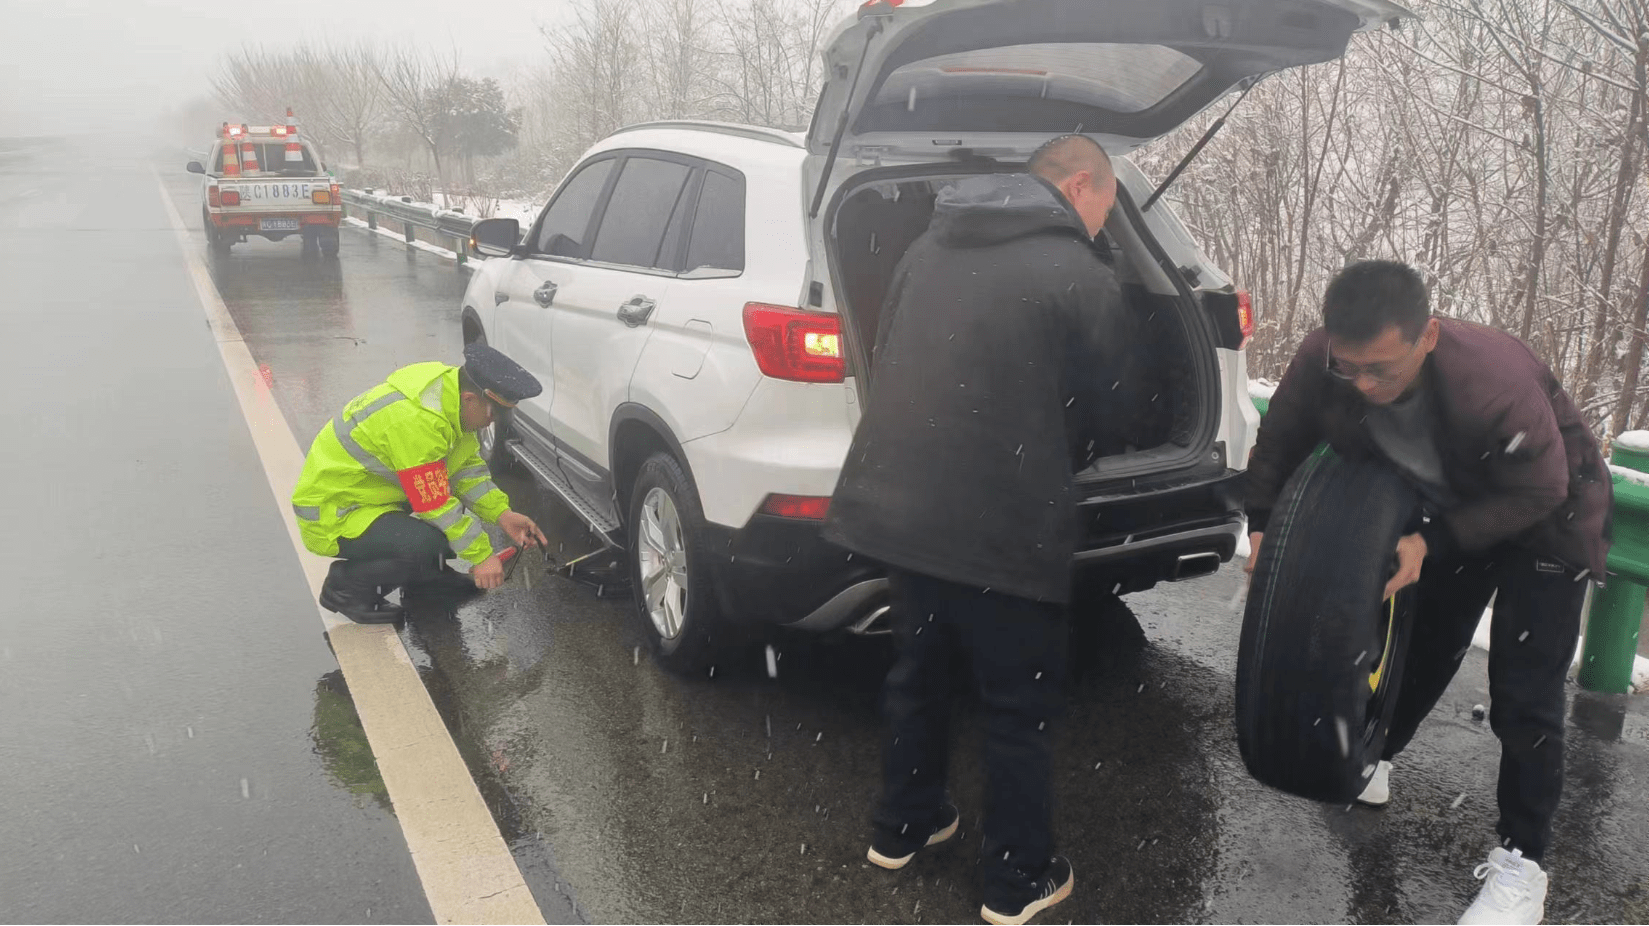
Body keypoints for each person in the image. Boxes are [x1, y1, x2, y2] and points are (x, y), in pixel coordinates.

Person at [823, 134, 1141, 926]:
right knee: (1016, 708)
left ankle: (903, 826)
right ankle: (1016, 881)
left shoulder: (927, 247)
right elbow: (1112, 409)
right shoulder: (1078, 271)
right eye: (1107, 203)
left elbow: (889, 349)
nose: (1106, 221)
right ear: (1078, 185)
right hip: (1001, 524)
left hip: (904, 509)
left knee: (919, 673)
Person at [1245, 261, 1611, 925]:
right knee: (1423, 645)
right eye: (1347, 367)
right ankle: (1376, 758)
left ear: (1428, 336)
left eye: (1379, 369)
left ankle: (1522, 865)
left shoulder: (1491, 384)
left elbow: (1539, 488)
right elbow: (1281, 436)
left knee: (1523, 696)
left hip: (1549, 520)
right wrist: (1262, 525)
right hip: (1455, 505)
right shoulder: (1321, 357)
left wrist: (1431, 543)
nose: (1362, 384)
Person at [291, 343, 549, 624]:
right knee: (426, 543)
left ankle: (428, 586)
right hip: (335, 512)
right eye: (494, 414)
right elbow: (434, 501)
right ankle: (346, 587)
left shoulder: (450, 401)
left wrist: (502, 514)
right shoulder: (417, 421)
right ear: (471, 398)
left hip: (369, 500)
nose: (492, 423)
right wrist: (482, 557)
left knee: (444, 536)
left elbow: (465, 470)